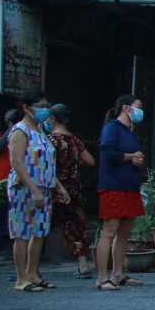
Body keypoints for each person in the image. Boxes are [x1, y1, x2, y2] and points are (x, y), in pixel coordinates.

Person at [7, 91, 69, 291]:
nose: (45, 110)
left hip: (45, 187)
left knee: (39, 231)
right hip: (24, 187)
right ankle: (21, 278)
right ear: (27, 108)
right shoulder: (20, 131)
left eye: (45, 106)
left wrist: (59, 187)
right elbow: (17, 162)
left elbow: (46, 163)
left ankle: (33, 273)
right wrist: (34, 190)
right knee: (22, 233)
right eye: (40, 106)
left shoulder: (40, 131)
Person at [96, 95, 147, 290]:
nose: (140, 111)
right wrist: (131, 156)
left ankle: (118, 274)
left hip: (130, 186)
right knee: (109, 232)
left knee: (124, 234)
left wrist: (137, 161)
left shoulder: (129, 132)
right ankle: (102, 277)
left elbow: (129, 157)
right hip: (113, 186)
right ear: (126, 108)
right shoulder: (111, 128)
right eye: (138, 106)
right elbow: (109, 154)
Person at [48, 104, 96, 278]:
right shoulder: (73, 140)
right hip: (73, 188)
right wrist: (72, 161)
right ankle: (83, 265)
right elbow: (90, 161)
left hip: (52, 188)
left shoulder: (50, 140)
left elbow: (46, 165)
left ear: (52, 119)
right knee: (75, 226)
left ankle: (29, 268)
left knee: (41, 227)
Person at [0, 109, 22, 258]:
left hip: (19, 179)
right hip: (1, 179)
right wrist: (11, 130)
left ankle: (17, 246)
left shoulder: (26, 134)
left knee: (18, 213)